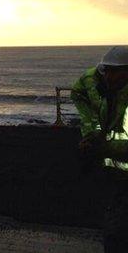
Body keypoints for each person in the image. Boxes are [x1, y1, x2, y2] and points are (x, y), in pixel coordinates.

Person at [71, 46, 128, 252]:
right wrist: (91, 134)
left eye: (114, 71)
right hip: (117, 173)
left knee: (117, 232)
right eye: (106, 71)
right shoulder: (103, 89)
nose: (108, 76)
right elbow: (102, 123)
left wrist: (101, 148)